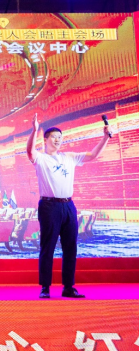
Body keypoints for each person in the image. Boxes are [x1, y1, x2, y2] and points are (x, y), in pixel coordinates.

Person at [26, 113, 112, 299]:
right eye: (54, 137)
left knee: (70, 246)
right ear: (45, 140)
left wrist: (105, 137)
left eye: (60, 137)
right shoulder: (40, 158)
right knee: (48, 246)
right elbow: (30, 151)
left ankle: (68, 287)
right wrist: (34, 130)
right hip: (49, 206)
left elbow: (93, 155)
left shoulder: (69, 157)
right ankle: (45, 287)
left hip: (68, 206)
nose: (58, 140)